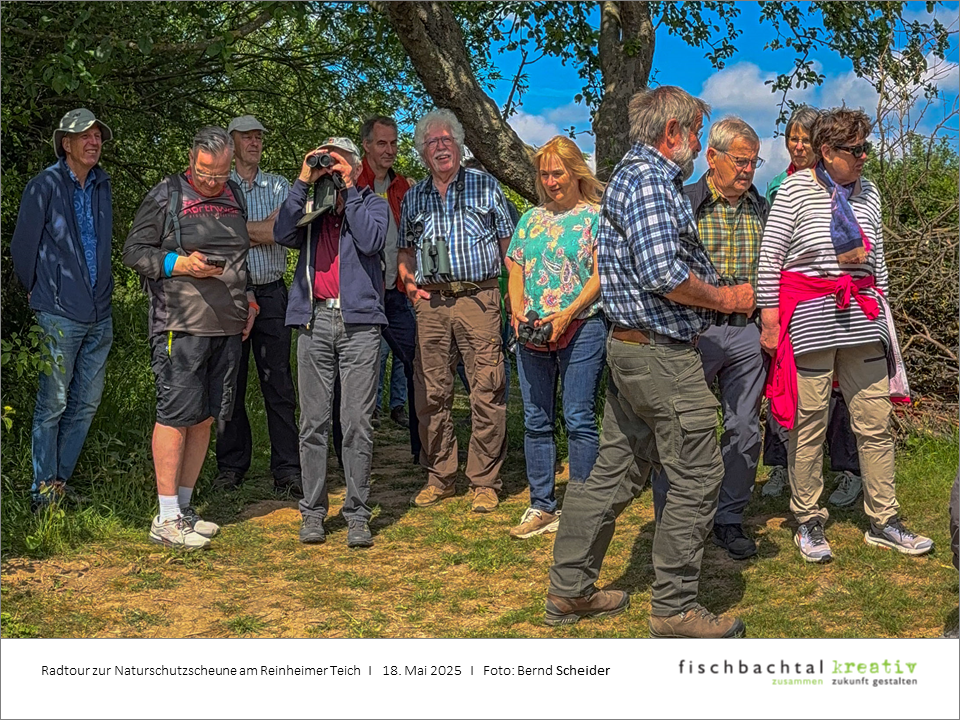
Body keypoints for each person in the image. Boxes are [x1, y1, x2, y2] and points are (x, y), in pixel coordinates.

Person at [545, 86, 754, 638]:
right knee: (699, 473)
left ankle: (569, 588)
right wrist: (726, 299)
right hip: (660, 356)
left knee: (613, 473)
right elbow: (663, 273)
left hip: (634, 350)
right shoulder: (650, 183)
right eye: (695, 133)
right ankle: (675, 607)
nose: (698, 145)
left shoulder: (634, 178)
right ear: (672, 133)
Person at [758, 107, 933, 563]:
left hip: (862, 318)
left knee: (875, 422)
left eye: (866, 148)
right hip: (810, 321)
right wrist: (771, 322)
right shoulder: (794, 189)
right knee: (809, 423)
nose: (864, 157)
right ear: (827, 151)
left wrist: (885, 316)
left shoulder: (869, 192)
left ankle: (884, 520)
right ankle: (807, 520)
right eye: (856, 150)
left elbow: (880, 263)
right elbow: (770, 259)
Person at [123, 126, 257, 550]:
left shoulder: (235, 193)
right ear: (191, 160)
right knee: (175, 416)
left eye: (219, 174)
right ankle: (165, 518)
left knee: (205, 417)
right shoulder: (167, 194)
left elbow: (239, 254)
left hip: (228, 325)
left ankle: (183, 509)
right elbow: (134, 251)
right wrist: (180, 264)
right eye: (204, 173)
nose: (212, 182)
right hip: (180, 326)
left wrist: (250, 297)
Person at [650, 117, 768, 561]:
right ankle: (674, 520)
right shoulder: (684, 202)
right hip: (694, 331)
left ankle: (728, 517)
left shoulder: (762, 207)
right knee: (682, 427)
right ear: (712, 157)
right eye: (740, 161)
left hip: (746, 332)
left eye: (753, 162)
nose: (747, 170)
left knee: (744, 427)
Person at [398, 109, 514, 513]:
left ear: (460, 145)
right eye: (432, 142)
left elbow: (510, 248)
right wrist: (409, 283)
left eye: (447, 139)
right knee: (431, 392)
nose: (441, 147)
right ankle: (440, 477)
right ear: (422, 152)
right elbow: (405, 251)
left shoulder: (486, 186)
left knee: (487, 389)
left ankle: (485, 481)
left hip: (479, 298)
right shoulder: (413, 197)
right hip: (431, 303)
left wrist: (514, 296)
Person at [274, 137, 387, 548]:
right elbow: (282, 232)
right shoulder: (312, 209)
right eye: (327, 163)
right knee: (313, 423)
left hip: (360, 325)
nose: (331, 171)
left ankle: (357, 514)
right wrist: (304, 179)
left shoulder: (371, 203)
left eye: (337, 163)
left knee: (356, 422)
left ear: (354, 167)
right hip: (315, 319)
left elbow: (371, 241)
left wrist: (349, 189)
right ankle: (313, 511)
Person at [11, 108, 115, 512]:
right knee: (52, 403)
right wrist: (37, 290)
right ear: (65, 144)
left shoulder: (102, 185)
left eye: (97, 136)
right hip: (57, 312)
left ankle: (59, 483)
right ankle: (42, 491)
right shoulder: (44, 185)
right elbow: (23, 248)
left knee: (86, 403)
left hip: (99, 312)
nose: (94, 142)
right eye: (85, 136)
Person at [760, 105, 863, 506]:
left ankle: (847, 470)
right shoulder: (780, 187)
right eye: (793, 138)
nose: (799, 146)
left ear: (821, 146)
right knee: (787, 387)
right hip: (793, 302)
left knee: (839, 393)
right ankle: (781, 467)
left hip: (837, 304)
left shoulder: (849, 189)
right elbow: (773, 252)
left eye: (806, 139)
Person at [506, 135, 606, 539]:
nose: (551, 181)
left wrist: (568, 313)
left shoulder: (595, 217)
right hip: (533, 331)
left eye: (558, 173)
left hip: (582, 325)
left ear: (576, 171)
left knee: (578, 415)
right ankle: (542, 505)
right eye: (545, 174)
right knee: (536, 419)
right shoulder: (530, 219)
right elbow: (516, 268)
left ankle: (582, 507)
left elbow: (600, 275)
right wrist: (516, 311)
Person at [214, 115, 302, 497]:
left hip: (272, 294)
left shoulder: (279, 185)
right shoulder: (219, 186)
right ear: (231, 143)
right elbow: (215, 236)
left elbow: (284, 231)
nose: (254, 143)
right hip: (228, 295)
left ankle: (287, 468)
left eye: (258, 137)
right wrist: (259, 229)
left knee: (278, 383)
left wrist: (237, 231)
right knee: (228, 382)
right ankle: (231, 467)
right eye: (247, 137)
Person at [356, 115, 420, 461]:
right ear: (366, 145)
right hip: (360, 294)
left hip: (396, 293)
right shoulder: (352, 183)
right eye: (382, 143)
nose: (390, 150)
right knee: (353, 372)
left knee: (417, 362)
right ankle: (347, 456)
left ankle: (422, 450)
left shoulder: (403, 187)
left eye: (394, 143)